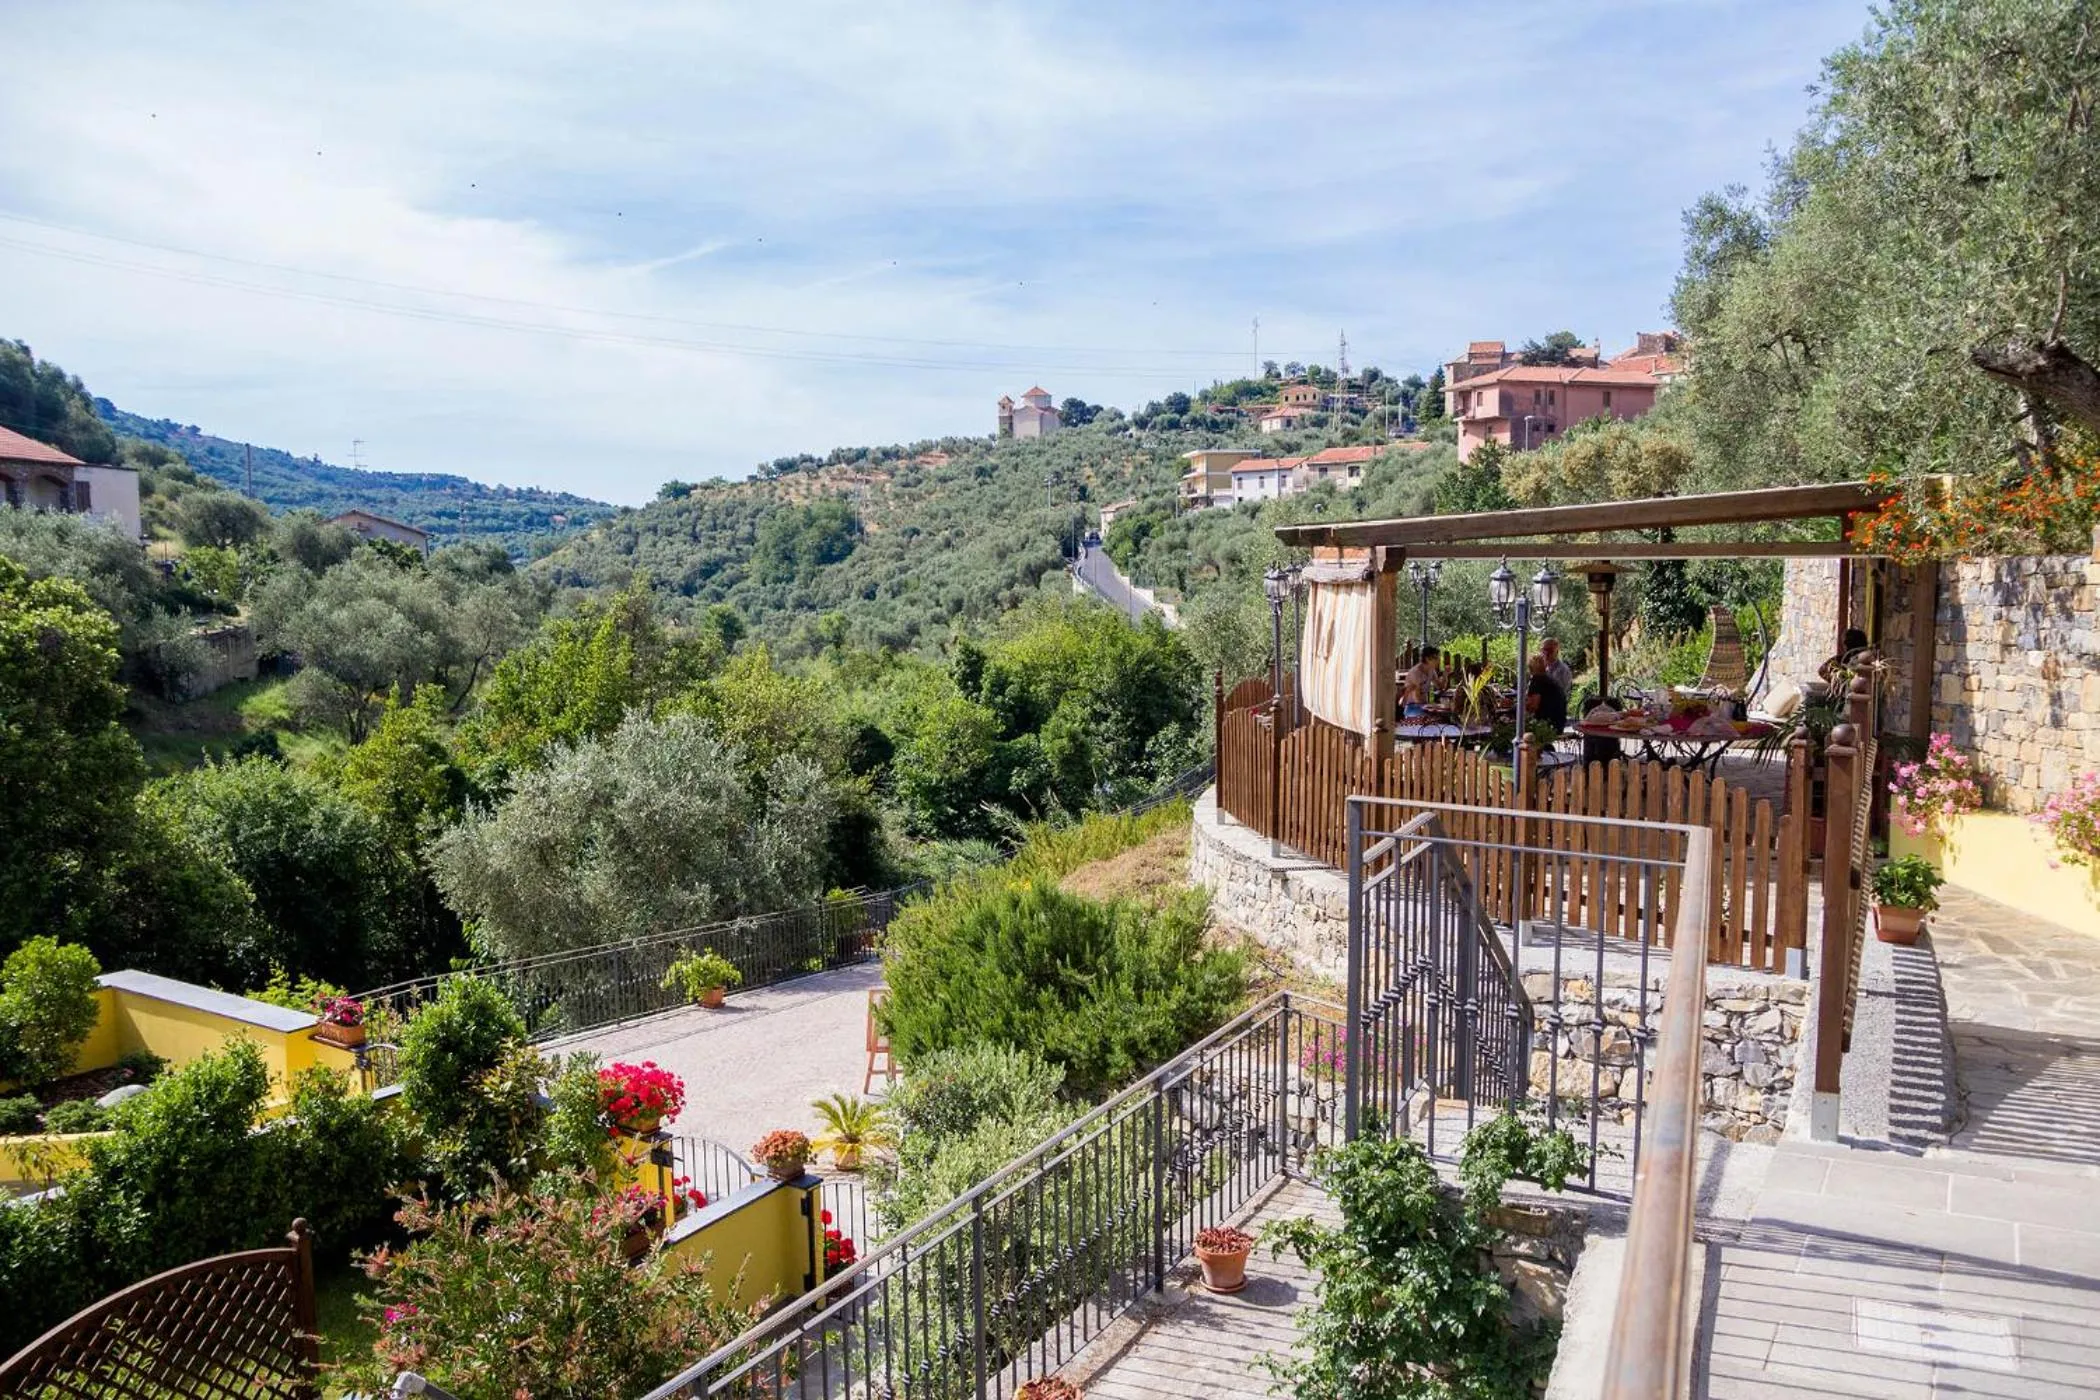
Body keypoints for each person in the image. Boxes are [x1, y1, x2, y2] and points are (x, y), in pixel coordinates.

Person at [1525, 653, 1569, 733]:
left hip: (1546, 726)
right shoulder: (1549, 679)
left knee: (1512, 726)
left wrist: (1516, 706)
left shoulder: (1537, 680)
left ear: (1530, 668)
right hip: (1559, 724)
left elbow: (1533, 706)